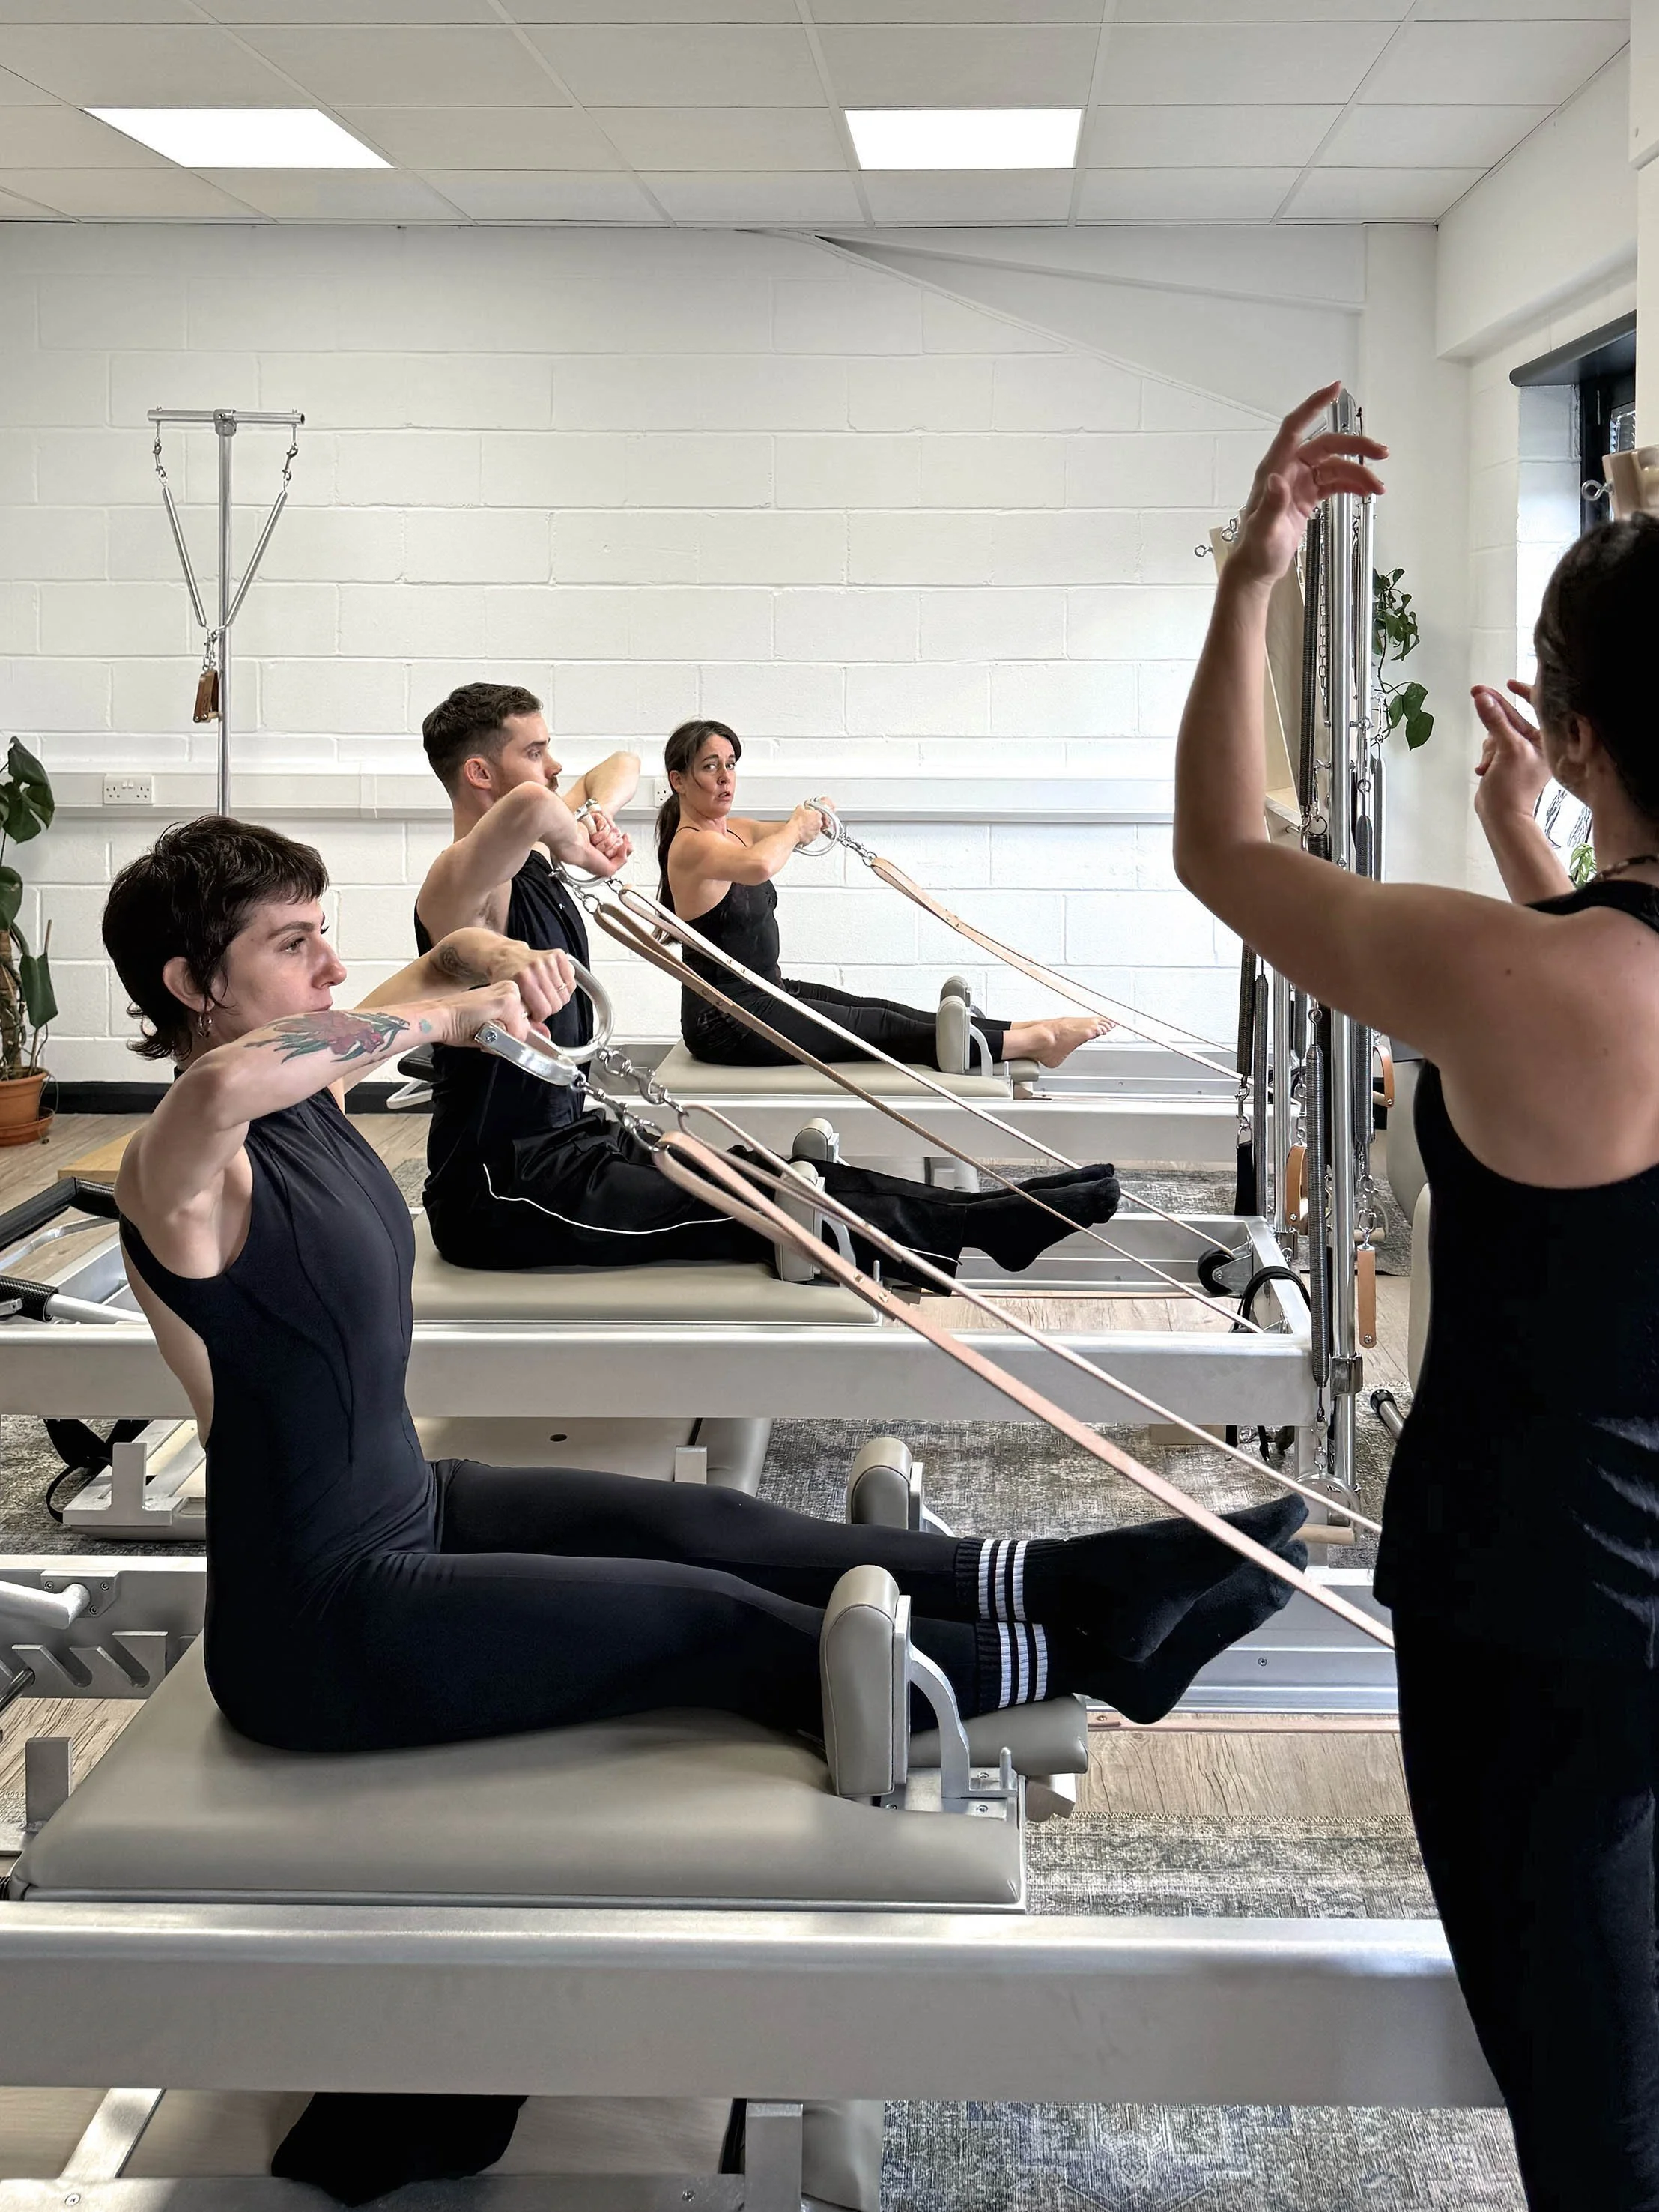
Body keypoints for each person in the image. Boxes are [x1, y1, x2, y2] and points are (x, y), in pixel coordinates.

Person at [101, 813, 1308, 2205]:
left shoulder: (301, 1082)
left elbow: (401, 985)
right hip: (321, 1618)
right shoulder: (186, 1156)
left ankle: (1063, 1572)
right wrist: (437, 1012)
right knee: (701, 1618)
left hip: (412, 1506)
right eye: (290, 944)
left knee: (731, 1530)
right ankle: (1087, 1651)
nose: (327, 965)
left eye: (323, 933)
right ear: (195, 987)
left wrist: (479, 967)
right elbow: (257, 1075)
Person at [1172, 383, 1659, 2212]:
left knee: (1594, 2102)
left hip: (1536, 1604)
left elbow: (1229, 853)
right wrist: (1547, 849)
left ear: (1584, 731)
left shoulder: (1517, 980)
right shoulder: (1538, 955)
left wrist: (1249, 583)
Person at [413, 683, 1123, 1278]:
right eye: (534, 751)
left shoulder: (527, 857)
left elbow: (620, 764)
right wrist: (580, 843)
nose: (555, 764)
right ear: (481, 774)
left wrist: (589, 816)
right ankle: (975, 1228)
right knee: (761, 1203)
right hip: (503, 1191)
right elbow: (535, 809)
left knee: (761, 1166)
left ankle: (985, 1218)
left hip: (577, 1137)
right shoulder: (458, 882)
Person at [658, 718, 1108, 1070]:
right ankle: (1036, 1043)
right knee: (880, 1028)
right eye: (709, 766)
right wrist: (796, 827)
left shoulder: (735, 829)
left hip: (764, 990)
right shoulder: (691, 844)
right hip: (725, 1019)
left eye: (731, 764)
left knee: (882, 1008)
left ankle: (1026, 1028)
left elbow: (787, 837)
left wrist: (815, 818)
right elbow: (760, 865)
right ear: (679, 780)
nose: (725, 777)